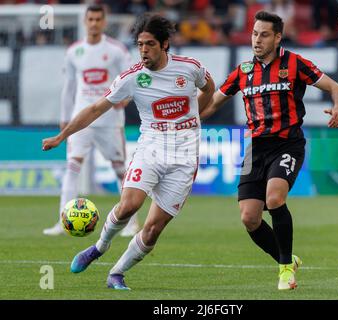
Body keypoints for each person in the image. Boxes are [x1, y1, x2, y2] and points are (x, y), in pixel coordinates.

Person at [42, 13, 215, 290]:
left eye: (150, 44)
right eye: (140, 45)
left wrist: (197, 114)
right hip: (151, 148)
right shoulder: (132, 78)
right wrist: (63, 135)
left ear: (165, 44)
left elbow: (209, 87)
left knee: (153, 230)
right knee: (129, 205)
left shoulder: (189, 68)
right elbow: (96, 108)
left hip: (185, 157)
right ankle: (99, 247)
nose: (144, 50)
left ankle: (116, 273)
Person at [200, 11, 338, 290]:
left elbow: (335, 87)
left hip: (287, 143)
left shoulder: (295, 63)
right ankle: (288, 257)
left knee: (275, 199)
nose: (257, 39)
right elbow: (212, 104)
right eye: (255, 33)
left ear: (278, 37)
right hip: (254, 147)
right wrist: (186, 120)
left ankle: (285, 270)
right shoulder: (242, 72)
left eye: (264, 34)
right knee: (249, 218)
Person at [43, 4, 140, 237]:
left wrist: (125, 100)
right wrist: (64, 119)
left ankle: (132, 222)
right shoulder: (74, 52)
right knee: (72, 165)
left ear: (104, 22)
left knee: (119, 169)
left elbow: (132, 79)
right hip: (81, 118)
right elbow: (69, 88)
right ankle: (62, 221)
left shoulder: (116, 50)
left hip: (109, 119)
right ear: (85, 22)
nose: (94, 23)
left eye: (98, 19)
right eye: (91, 19)